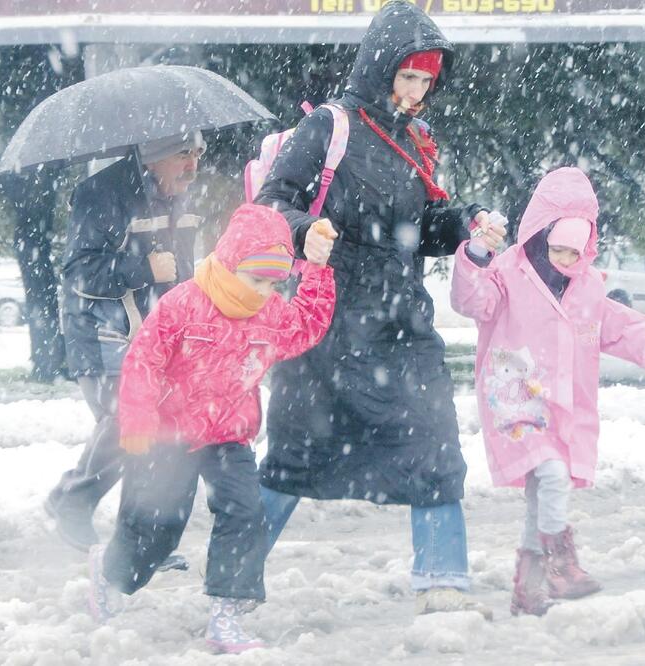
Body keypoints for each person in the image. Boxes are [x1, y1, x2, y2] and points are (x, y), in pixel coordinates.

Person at [255, 1, 500, 618]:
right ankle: (232, 572)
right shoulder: (329, 128)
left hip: (401, 322)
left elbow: (417, 227)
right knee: (292, 457)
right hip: (327, 321)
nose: (417, 92)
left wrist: (467, 222)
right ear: (380, 67)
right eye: (408, 76)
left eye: (427, 81)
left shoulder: (416, 139)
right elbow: (269, 205)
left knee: (435, 444)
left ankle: (442, 580)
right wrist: (303, 228)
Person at [86, 203, 337, 654]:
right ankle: (112, 576)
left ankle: (227, 612)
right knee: (156, 527)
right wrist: (139, 419)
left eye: (272, 283)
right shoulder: (185, 303)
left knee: (244, 513)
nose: (263, 292)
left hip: (229, 435)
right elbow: (145, 358)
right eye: (255, 279)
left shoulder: (271, 313)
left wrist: (316, 269)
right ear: (230, 264)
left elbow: (307, 326)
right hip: (168, 433)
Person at [450, 167, 645, 616]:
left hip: (562, 404)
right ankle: (561, 562)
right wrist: (477, 255)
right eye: (556, 249)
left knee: (541, 492)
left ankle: (529, 586)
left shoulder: (588, 290)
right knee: (553, 475)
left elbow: (622, 328)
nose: (563, 261)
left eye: (573, 253)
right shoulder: (506, 274)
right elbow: (471, 302)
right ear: (540, 237)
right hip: (515, 394)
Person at [45, 132, 206, 554]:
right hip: (100, 334)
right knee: (126, 424)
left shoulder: (177, 196)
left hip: (151, 336)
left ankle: (135, 543)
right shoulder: (102, 194)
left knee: (147, 434)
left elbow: (182, 273)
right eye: (183, 155)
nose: (194, 166)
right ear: (153, 157)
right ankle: (76, 504)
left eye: (199, 154)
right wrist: (143, 268)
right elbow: (80, 272)